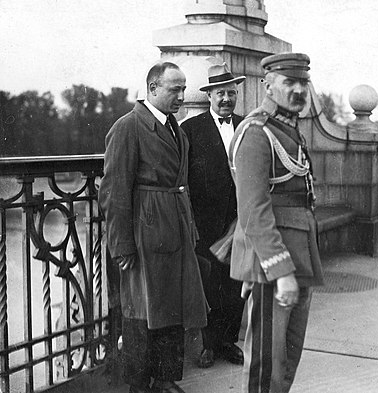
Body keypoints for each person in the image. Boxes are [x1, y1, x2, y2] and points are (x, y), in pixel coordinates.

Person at [99, 61, 208, 393]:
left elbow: (181, 183)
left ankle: (165, 379)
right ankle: (138, 384)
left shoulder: (175, 126)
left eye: (183, 89)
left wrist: (189, 227)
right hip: (145, 234)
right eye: (174, 89)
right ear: (152, 89)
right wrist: (121, 245)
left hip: (173, 228)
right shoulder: (128, 127)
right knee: (141, 311)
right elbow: (114, 191)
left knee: (171, 307)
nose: (181, 96)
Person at [229, 52, 324, 393]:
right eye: (290, 82)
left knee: (287, 357)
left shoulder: (288, 129)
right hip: (275, 263)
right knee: (267, 363)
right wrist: (281, 272)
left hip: (297, 253)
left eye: (304, 83)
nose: (299, 90)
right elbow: (253, 210)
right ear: (267, 85)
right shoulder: (256, 132)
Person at [180, 61, 246, 369]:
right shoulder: (190, 130)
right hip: (204, 222)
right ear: (209, 96)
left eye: (231, 93)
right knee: (209, 285)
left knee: (235, 284)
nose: (226, 100)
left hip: (240, 221)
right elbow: (181, 177)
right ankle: (207, 345)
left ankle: (228, 342)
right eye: (220, 93)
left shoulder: (247, 127)